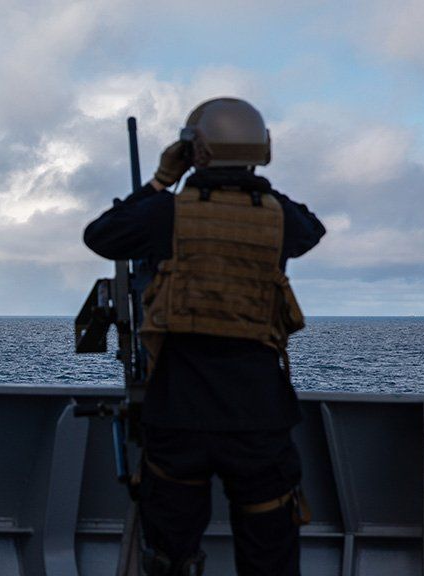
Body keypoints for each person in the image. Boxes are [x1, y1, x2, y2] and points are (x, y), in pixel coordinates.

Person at [83, 98, 325, 576]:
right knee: (270, 556)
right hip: (258, 417)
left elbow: (101, 236)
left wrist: (160, 181)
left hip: (179, 412)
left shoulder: (165, 214)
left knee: (171, 555)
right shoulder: (281, 218)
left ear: (194, 151)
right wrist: (254, 184)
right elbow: (310, 228)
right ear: (262, 149)